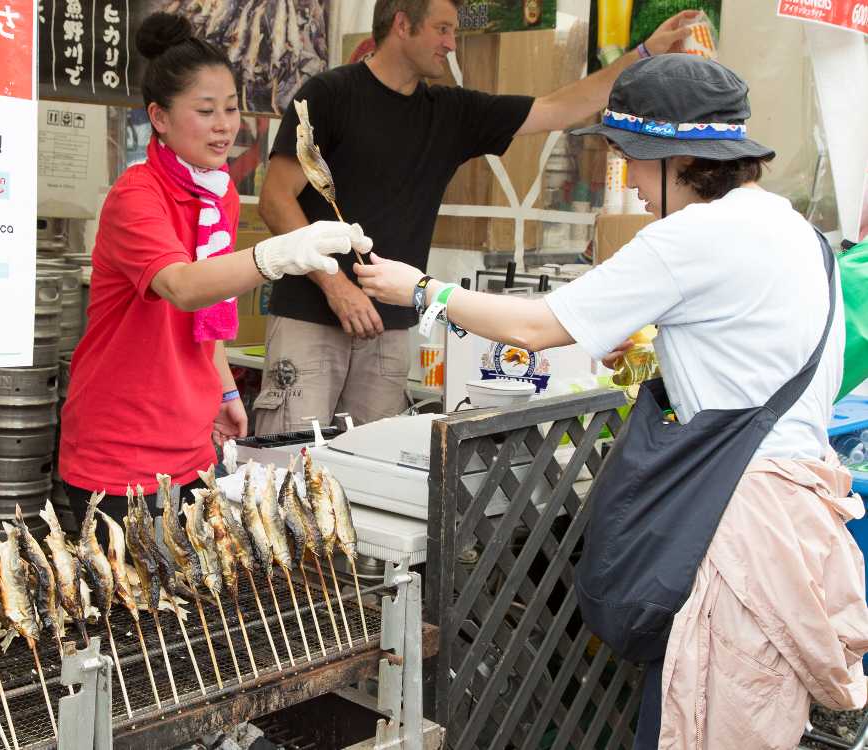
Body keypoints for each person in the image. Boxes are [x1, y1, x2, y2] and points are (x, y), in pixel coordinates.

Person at [355, 54, 868, 749]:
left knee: (706, 711)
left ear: (675, 159)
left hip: (732, 520)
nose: (627, 178)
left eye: (631, 159)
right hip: (794, 506)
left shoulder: (690, 236)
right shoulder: (791, 228)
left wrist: (425, 291)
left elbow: (538, 327)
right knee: (753, 709)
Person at [252, 0, 698, 434]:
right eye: (443, 29)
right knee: (289, 466)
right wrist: (336, 287)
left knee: (369, 470)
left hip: (390, 328)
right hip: (310, 316)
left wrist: (644, 54)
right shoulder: (329, 95)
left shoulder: (451, 112)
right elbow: (275, 200)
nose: (452, 43)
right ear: (403, 24)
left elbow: (558, 109)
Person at [58, 12, 372, 532]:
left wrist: (224, 392)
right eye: (206, 111)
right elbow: (182, 287)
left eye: (230, 108)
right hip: (120, 443)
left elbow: (208, 310)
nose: (225, 125)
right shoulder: (136, 196)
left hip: (190, 434)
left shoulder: (219, 190)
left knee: (190, 596)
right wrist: (275, 255)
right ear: (159, 117)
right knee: (133, 605)